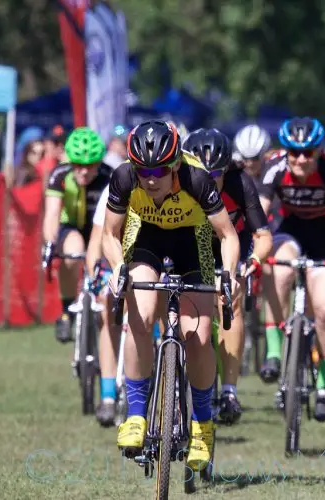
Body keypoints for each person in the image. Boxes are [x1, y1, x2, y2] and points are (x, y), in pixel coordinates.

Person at [104, 120, 240, 472]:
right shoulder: (122, 178)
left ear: (175, 164)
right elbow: (110, 232)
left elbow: (227, 235)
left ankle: (203, 424)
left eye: (160, 170)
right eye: (144, 170)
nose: (151, 178)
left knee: (198, 335)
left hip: (193, 244)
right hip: (147, 239)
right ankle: (135, 415)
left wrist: (230, 275)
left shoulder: (197, 179)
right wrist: (118, 267)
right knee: (141, 314)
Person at [257, 117, 325, 421]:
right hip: (291, 233)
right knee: (278, 270)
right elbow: (259, 216)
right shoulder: (275, 169)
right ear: (286, 151)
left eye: (308, 153)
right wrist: (256, 251)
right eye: (294, 153)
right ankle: (274, 351)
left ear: (319, 152)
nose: (301, 159)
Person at [183, 128, 273, 424]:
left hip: (231, 248)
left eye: (216, 175)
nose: (209, 182)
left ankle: (230, 391)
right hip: (191, 249)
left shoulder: (240, 183)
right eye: (202, 174)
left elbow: (263, 235)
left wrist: (254, 262)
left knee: (229, 300)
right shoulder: (179, 184)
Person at [42, 127, 113, 343]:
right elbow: (52, 214)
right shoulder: (59, 174)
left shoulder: (109, 176)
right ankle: (66, 311)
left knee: (99, 259)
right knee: (73, 251)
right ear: (70, 161)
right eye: (78, 165)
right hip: (70, 226)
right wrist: (49, 243)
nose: (83, 171)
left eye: (90, 165)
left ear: (99, 162)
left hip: (99, 228)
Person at [87, 183, 123, 426]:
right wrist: (94, 280)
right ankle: (108, 396)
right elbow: (95, 243)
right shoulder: (115, 188)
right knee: (108, 315)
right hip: (115, 258)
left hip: (151, 255)